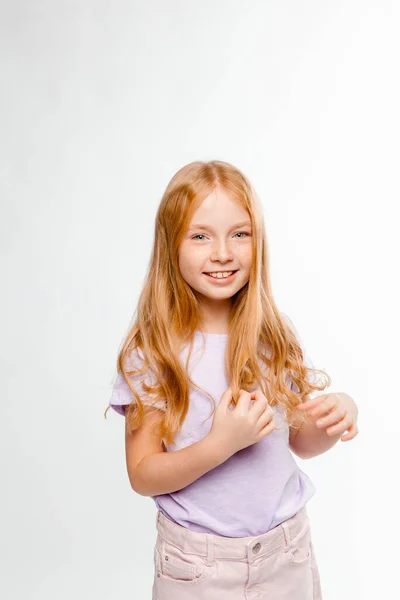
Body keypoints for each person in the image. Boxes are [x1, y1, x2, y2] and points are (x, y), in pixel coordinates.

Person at [104, 160, 359, 599]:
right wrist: (220, 445)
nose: (222, 252)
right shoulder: (154, 352)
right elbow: (143, 474)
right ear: (171, 246)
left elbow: (299, 441)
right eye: (200, 236)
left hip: (285, 555)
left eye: (239, 234)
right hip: (197, 567)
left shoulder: (272, 335)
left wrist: (333, 418)